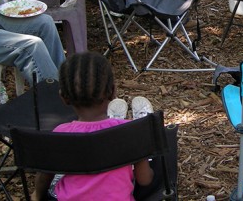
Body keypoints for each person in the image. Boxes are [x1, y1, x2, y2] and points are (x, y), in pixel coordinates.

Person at [33, 52, 154, 201]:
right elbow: (144, 180)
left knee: (57, 180)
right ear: (113, 92)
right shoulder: (130, 131)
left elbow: (44, 178)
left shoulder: (60, 134)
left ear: (64, 98)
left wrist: (37, 196)